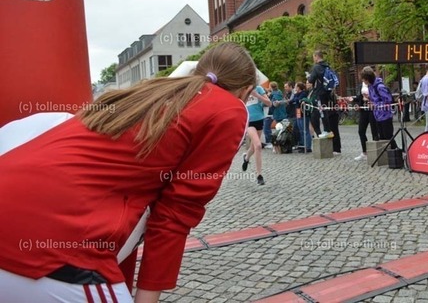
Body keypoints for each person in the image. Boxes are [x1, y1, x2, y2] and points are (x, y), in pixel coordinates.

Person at [0, 42, 256, 303]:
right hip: (52, 244)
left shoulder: (148, 91)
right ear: (246, 90)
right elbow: (178, 210)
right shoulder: (228, 109)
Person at [307, 50, 341, 155]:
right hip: (328, 92)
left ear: (316, 56)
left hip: (320, 93)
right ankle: (329, 134)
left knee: (322, 111)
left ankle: (326, 130)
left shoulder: (316, 67)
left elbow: (311, 80)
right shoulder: (327, 66)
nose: (313, 59)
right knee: (326, 111)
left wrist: (309, 77)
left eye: (314, 57)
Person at [243, 82, 272, 185]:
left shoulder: (258, 89)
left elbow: (269, 103)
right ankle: (259, 175)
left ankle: (246, 158)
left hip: (259, 120)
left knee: (253, 147)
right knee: (258, 145)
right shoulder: (242, 90)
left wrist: (257, 95)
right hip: (248, 122)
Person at [361, 67, 397, 149]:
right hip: (377, 116)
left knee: (388, 137)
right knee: (382, 138)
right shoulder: (370, 87)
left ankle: (396, 152)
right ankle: (386, 154)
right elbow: (376, 99)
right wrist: (369, 98)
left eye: (364, 79)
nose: (363, 81)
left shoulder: (380, 87)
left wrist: (375, 105)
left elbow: (388, 100)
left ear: (367, 78)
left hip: (385, 116)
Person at [349, 80, 379, 161]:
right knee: (361, 131)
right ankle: (365, 152)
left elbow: (377, 97)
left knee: (374, 131)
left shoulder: (373, 85)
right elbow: (360, 97)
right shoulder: (360, 86)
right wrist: (354, 100)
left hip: (372, 110)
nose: (363, 80)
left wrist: (369, 98)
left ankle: (376, 152)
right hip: (364, 111)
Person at [291, 82, 312, 153]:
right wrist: (295, 97)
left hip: (303, 113)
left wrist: (296, 98)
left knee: (305, 130)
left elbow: (298, 100)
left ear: (299, 87)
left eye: (296, 87)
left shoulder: (303, 93)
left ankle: (308, 146)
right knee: (300, 130)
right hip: (298, 112)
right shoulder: (296, 94)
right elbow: (293, 100)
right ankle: (302, 145)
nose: (295, 88)